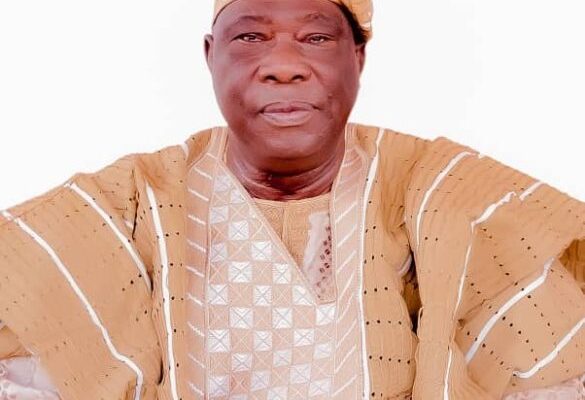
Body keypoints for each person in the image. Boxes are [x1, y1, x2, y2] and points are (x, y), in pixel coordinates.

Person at [0, 0, 583, 399]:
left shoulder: (443, 195)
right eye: (250, 37)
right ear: (210, 55)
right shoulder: (131, 202)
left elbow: (547, 366)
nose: (283, 66)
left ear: (358, 58)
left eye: (316, 38)